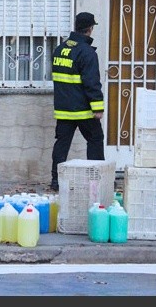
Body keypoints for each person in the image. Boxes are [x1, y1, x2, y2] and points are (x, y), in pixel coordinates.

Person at [49, 11, 105, 192]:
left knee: (62, 144)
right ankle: (95, 181)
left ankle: (56, 181)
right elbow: (91, 83)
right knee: (95, 139)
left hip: (64, 109)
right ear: (90, 29)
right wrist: (98, 107)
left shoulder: (60, 49)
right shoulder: (87, 52)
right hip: (82, 110)